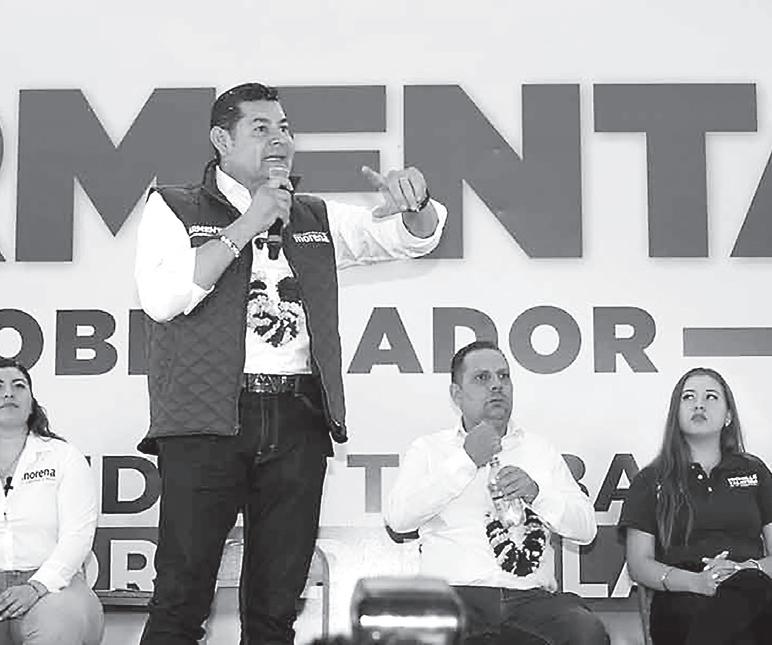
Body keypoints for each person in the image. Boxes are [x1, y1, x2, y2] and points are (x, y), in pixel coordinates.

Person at [134, 82, 446, 645]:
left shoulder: (313, 216)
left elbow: (410, 239)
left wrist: (416, 204)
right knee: (180, 602)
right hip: (205, 424)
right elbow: (162, 298)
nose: (279, 140)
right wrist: (246, 224)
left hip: (297, 419)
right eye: (261, 128)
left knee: (276, 610)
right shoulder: (174, 206)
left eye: (284, 128)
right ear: (221, 140)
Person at [384, 340, 609, 645]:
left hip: (531, 600)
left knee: (585, 633)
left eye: (503, 376)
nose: (496, 386)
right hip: (453, 598)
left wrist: (537, 494)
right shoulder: (429, 449)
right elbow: (399, 519)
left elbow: (586, 529)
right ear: (456, 394)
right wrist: (466, 461)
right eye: (482, 378)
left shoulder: (539, 450)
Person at [619, 367, 772, 645]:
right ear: (675, 414)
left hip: (753, 586)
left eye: (711, 397)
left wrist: (741, 569)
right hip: (680, 595)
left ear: (728, 416)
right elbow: (639, 565)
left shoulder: (755, 472)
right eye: (688, 397)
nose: (699, 404)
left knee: (753, 590)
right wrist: (697, 582)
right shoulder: (650, 479)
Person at [0, 358, 102, 645]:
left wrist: (37, 586)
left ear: (32, 403)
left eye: (19, 386)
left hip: (54, 585)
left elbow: (78, 535)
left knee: (56, 629)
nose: (8, 393)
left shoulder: (64, 457)